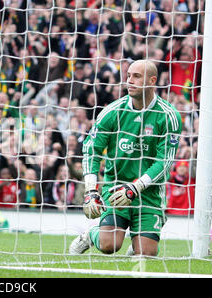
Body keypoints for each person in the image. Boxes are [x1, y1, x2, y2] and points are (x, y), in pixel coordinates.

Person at [69, 60, 182, 257]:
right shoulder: (113, 112)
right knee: (109, 245)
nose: (130, 81)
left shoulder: (168, 116)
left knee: (145, 254)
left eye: (136, 76)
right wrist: (90, 190)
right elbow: (91, 149)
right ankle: (90, 235)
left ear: (152, 80)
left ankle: (139, 243)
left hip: (149, 192)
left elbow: (164, 162)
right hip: (116, 187)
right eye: (128, 75)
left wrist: (136, 187)